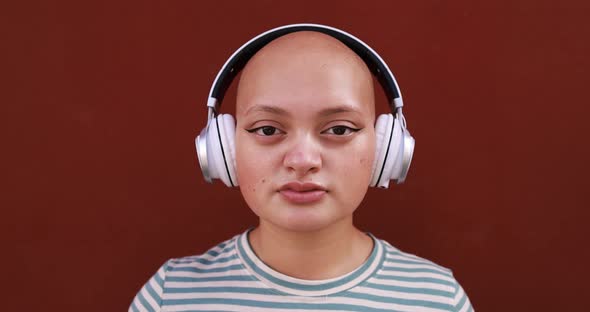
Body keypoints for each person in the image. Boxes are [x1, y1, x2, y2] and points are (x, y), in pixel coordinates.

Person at [129, 24, 474, 312]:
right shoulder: (168, 296)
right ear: (225, 148)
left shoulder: (438, 299)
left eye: (339, 129)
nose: (303, 160)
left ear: (386, 148)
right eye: (267, 129)